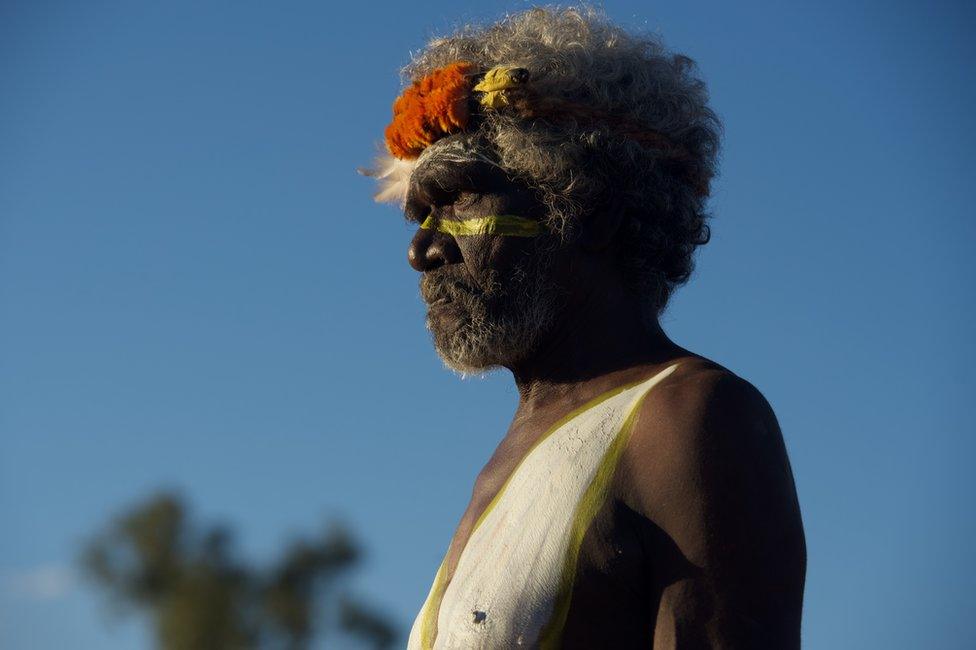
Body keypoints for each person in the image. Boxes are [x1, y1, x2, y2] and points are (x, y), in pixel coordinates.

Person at [366, 7, 806, 649]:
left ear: (588, 212)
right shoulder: (503, 464)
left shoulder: (688, 420)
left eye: (460, 200)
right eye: (420, 215)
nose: (423, 249)